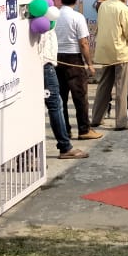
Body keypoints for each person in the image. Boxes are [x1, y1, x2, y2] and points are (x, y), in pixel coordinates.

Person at [54, 0, 102, 142]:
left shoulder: (53, 16)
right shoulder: (77, 17)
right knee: (80, 96)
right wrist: (89, 63)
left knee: (61, 98)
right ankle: (84, 129)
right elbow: (84, 43)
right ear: (76, 1)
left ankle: (65, 131)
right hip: (73, 59)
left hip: (56, 58)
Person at [37, 15, 88, 160]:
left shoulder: (46, 15)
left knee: (56, 103)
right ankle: (65, 146)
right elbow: (83, 42)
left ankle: (64, 142)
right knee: (55, 104)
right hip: (45, 64)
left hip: (49, 62)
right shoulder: (41, 15)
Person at [89, 0, 128, 131]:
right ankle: (121, 122)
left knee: (104, 86)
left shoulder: (103, 5)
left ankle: (96, 118)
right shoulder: (123, 8)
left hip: (104, 50)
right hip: (121, 51)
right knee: (121, 88)